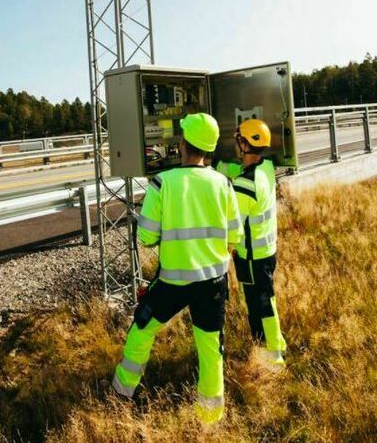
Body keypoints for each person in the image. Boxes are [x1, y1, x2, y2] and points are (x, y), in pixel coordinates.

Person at [111, 112, 242, 425]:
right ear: (208, 148)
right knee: (211, 347)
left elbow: (146, 237)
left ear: (183, 144)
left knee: (142, 328)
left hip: (171, 283)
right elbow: (234, 236)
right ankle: (210, 416)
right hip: (212, 281)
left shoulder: (162, 183)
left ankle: (122, 393)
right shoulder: (223, 183)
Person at [217, 119, 287, 367]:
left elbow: (230, 223)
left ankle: (274, 354)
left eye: (239, 140)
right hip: (267, 251)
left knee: (261, 302)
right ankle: (267, 345)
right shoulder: (265, 168)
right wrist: (218, 166)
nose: (237, 144)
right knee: (264, 298)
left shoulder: (245, 185)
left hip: (251, 256)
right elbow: (239, 171)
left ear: (245, 144)